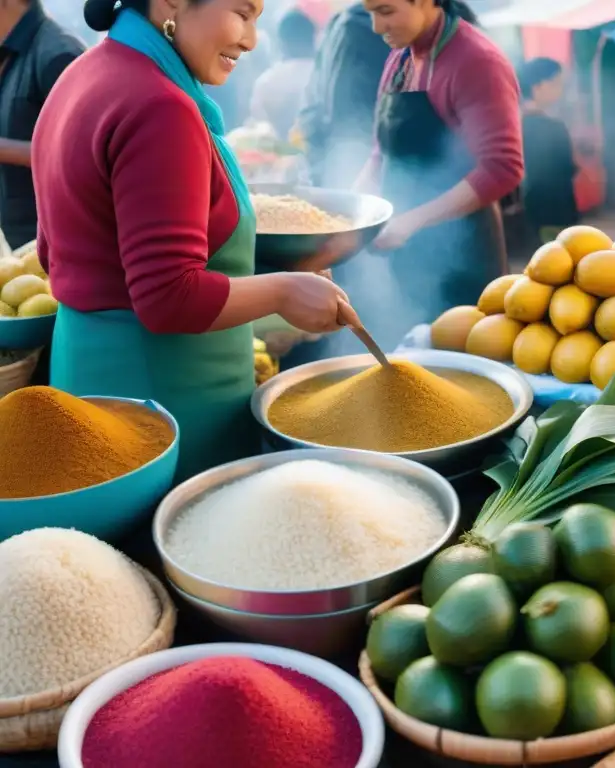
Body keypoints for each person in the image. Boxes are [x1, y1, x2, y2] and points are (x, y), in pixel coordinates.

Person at [33, 0, 360, 480]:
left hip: (89, 381)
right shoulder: (160, 105)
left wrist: (267, 309)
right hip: (166, 409)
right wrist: (284, 291)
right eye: (242, 13)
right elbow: (168, 297)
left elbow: (63, 254)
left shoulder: (82, 74)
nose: (251, 40)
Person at [288, 0, 524, 364]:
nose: (376, 26)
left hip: (460, 256)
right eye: (369, 13)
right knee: (404, 364)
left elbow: (502, 169)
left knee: (458, 375)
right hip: (401, 248)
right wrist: (345, 218)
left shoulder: (477, 61)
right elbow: (381, 153)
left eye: (385, 11)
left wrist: (410, 222)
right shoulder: (400, 57)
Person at [0, 0, 84, 250]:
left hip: (48, 253)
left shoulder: (60, 54)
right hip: (14, 248)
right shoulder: (12, 48)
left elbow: (80, 159)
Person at [294, 4, 390, 188]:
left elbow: (312, 104)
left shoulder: (346, 22)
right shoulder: (353, 26)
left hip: (347, 156)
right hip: (351, 156)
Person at [518, 57, 578, 245]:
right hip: (556, 211)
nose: (560, 90)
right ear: (538, 87)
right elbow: (566, 167)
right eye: (556, 84)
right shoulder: (554, 127)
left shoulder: (513, 125)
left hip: (527, 212)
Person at [249, 9, 316, 140]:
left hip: (275, 156)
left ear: (281, 42)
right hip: (325, 157)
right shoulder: (325, 78)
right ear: (313, 39)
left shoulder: (267, 82)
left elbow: (259, 130)